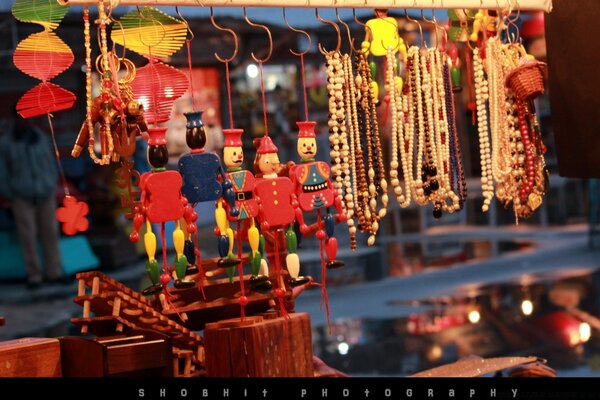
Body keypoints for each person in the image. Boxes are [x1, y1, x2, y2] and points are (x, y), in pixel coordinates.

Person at [0, 112, 65, 289]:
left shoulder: (41, 137)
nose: (25, 120)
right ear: (15, 118)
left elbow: (51, 163)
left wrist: (51, 184)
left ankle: (54, 272)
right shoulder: (6, 143)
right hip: (21, 195)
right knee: (27, 236)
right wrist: (10, 192)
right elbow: (3, 171)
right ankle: (34, 275)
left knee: (51, 232)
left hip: (45, 192)